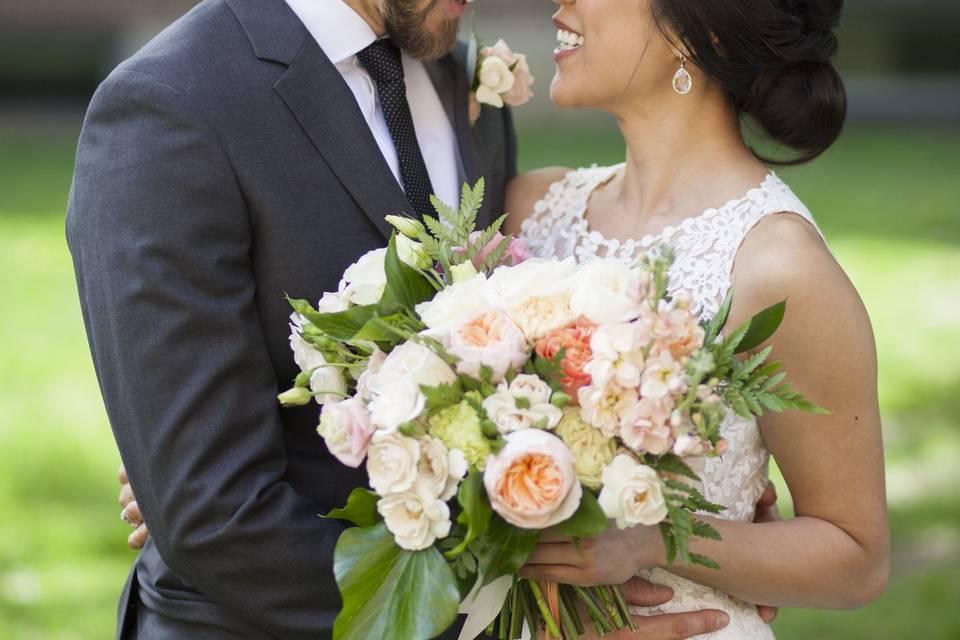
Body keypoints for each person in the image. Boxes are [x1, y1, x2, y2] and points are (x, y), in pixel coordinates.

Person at [73, 0, 769, 637]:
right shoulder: (171, 106)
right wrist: (513, 619)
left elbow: (501, 356)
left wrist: (687, 502)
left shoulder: (457, 74)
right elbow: (216, 514)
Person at [507, 0, 890, 637]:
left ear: (696, 31)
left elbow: (857, 559)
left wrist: (658, 540)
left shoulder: (777, 268)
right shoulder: (531, 211)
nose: (561, 5)